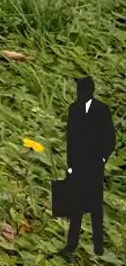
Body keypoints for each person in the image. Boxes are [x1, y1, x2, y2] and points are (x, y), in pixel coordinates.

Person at [58, 76, 114, 259]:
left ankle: (98, 246)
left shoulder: (102, 110)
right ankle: (71, 245)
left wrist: (103, 159)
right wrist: (70, 164)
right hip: (78, 163)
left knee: (95, 206)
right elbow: (71, 139)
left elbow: (110, 138)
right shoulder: (73, 109)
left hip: (95, 164)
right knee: (76, 205)